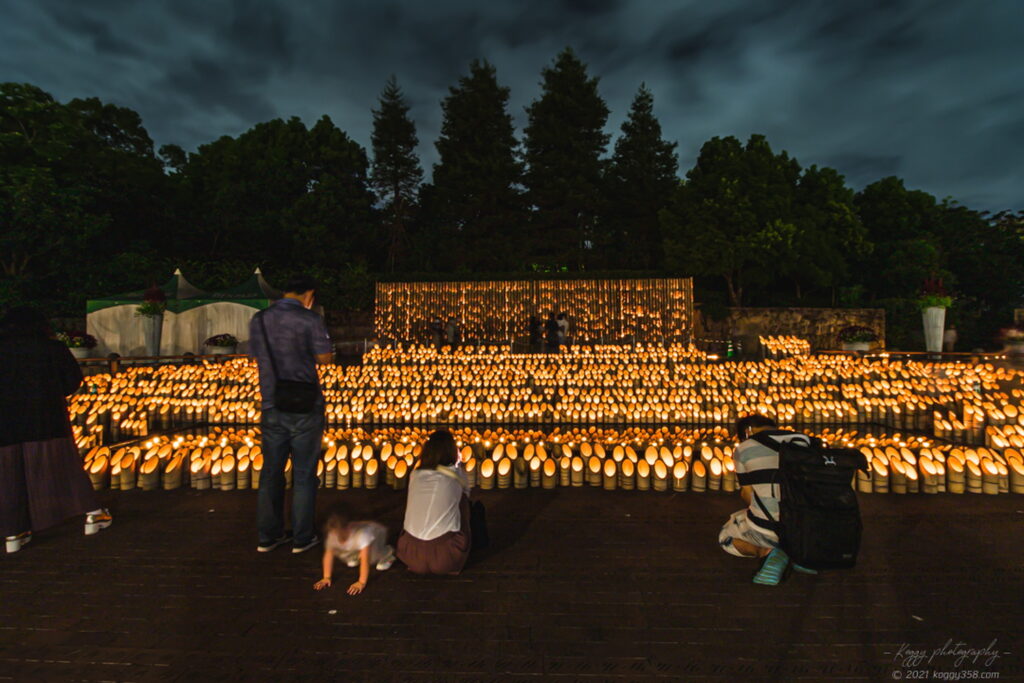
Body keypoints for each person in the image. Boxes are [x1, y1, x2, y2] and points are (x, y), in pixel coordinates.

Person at [1, 307, 111, 553]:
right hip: (45, 420)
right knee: (62, 468)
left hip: (5, 425)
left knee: (9, 477)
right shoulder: (52, 348)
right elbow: (71, 380)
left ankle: (13, 532)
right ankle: (93, 514)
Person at [249, 275, 333, 554]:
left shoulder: (259, 320)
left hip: (271, 403)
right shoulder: (310, 320)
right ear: (308, 294)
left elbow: (256, 355)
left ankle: (267, 537)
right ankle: (301, 537)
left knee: (271, 473)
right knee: (304, 474)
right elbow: (325, 358)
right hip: (305, 406)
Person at [719, 414, 815, 585]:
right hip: (809, 526)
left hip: (771, 527)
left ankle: (768, 551)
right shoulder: (804, 440)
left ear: (747, 432)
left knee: (726, 536)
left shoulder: (745, 448)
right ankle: (800, 555)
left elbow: (747, 494)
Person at [396, 429, 472, 575]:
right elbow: (466, 496)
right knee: (463, 503)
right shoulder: (456, 474)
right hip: (446, 556)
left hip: (410, 554)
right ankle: (457, 563)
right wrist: (459, 465)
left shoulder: (415, 474)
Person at [313, 508, 395, 595]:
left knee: (373, 557)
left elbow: (365, 560)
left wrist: (361, 582)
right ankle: (356, 553)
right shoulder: (333, 534)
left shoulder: (363, 535)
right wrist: (326, 577)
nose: (336, 537)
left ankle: (387, 555)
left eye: (340, 534)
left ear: (349, 528)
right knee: (343, 551)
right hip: (357, 542)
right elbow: (328, 555)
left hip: (377, 536)